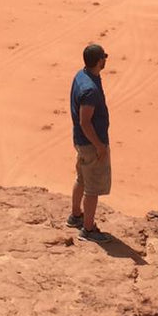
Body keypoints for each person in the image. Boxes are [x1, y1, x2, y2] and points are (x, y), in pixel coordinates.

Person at [68, 42, 113, 242]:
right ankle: (88, 229)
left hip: (80, 140)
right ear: (98, 61)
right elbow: (85, 122)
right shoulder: (90, 89)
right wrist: (99, 146)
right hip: (90, 144)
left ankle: (75, 216)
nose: (105, 59)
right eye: (104, 57)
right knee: (92, 188)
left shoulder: (82, 75)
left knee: (82, 178)